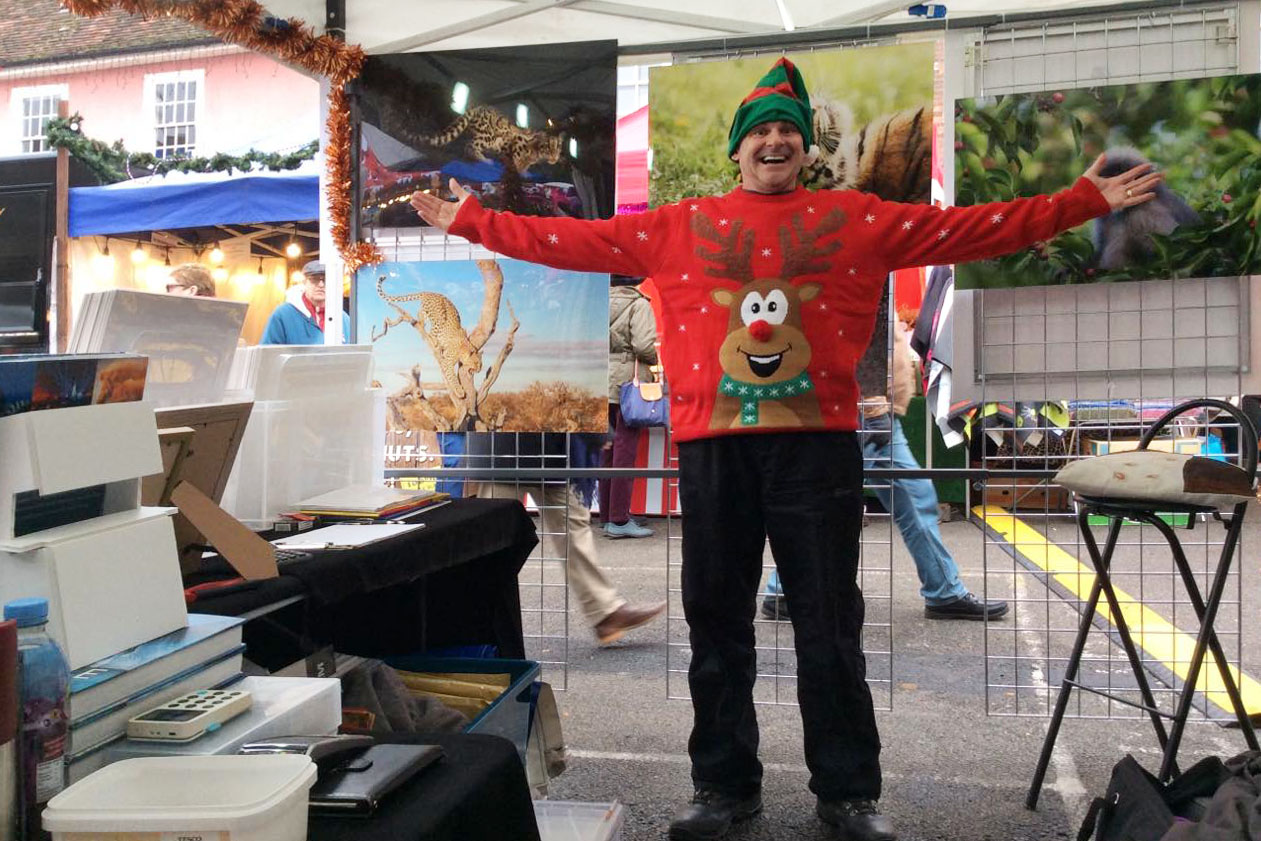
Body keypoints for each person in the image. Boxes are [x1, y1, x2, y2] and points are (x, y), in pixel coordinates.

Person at [412, 57, 1158, 841]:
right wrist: (471, 222)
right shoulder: (677, 225)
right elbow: (572, 240)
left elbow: (972, 228)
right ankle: (723, 786)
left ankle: (848, 793)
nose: (772, 142)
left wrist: (1079, 202)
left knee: (829, 624)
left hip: (818, 454)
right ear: (736, 149)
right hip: (714, 455)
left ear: (806, 149)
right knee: (716, 624)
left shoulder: (859, 218)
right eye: (758, 132)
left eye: (785, 133)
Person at [762, 319, 1009, 623]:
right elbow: (862, 341)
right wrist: (874, 407)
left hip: (868, 411)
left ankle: (785, 589)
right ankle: (944, 591)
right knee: (909, 502)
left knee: (831, 503)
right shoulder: (869, 280)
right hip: (869, 412)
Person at [466, 431, 667, 645]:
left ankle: (606, 613)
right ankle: (473, 623)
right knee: (493, 542)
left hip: (541, 450)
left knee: (569, 527)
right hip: (509, 448)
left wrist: (596, 429)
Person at [600, 275, 659, 539]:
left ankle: (607, 515)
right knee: (626, 449)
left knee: (608, 450)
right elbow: (644, 346)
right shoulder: (639, 304)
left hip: (600, 379)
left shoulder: (598, 303)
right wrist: (654, 358)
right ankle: (620, 520)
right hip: (628, 384)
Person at [260, 261, 349, 344]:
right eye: (314, 279)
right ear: (304, 282)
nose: (321, 285)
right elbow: (268, 354)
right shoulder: (283, 314)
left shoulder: (343, 319)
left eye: (326, 280)